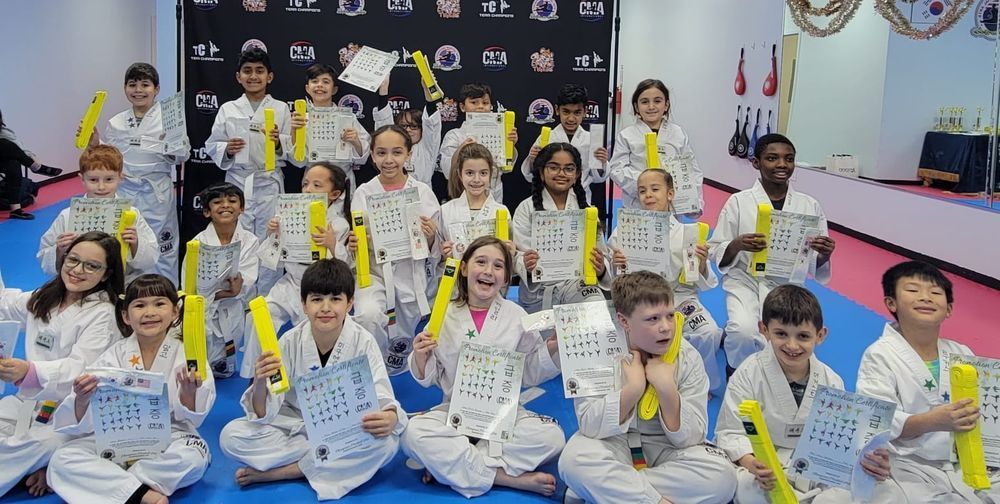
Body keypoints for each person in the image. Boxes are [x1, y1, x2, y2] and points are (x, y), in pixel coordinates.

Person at [220, 259, 404, 500]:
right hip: (295, 424)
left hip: (343, 426)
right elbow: (263, 412)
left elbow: (382, 394)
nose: (325, 308)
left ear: (350, 303)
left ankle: (287, 471)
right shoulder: (289, 341)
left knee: (387, 444)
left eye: (335, 299)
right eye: (317, 299)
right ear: (304, 305)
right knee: (230, 437)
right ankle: (323, 461)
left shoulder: (363, 341)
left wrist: (389, 416)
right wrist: (260, 382)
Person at [558, 271, 737, 504]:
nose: (665, 327)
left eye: (670, 316)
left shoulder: (687, 356)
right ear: (624, 321)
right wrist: (632, 390)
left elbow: (693, 437)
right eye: (652, 319)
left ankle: (609, 491)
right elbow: (590, 425)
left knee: (723, 477)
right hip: (614, 441)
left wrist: (667, 391)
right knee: (573, 460)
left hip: (666, 445)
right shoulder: (595, 348)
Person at [404, 236, 563, 498]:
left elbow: (530, 372)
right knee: (412, 434)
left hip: (503, 412)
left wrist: (552, 348)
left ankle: (454, 465)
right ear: (464, 268)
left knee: (553, 438)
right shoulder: (444, 314)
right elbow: (429, 377)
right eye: (481, 262)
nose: (489, 271)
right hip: (455, 412)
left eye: (498, 266)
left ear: (505, 278)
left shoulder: (516, 316)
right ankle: (505, 477)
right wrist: (421, 355)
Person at [716, 284, 900, 503]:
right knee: (747, 489)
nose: (792, 345)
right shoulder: (748, 373)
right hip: (765, 464)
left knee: (881, 488)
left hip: (815, 465)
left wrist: (869, 459)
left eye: (803, 336)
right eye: (781, 334)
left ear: (820, 335)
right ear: (764, 330)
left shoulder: (831, 380)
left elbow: (842, 438)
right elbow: (730, 431)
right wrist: (749, 461)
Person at [47, 275, 214, 504]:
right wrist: (83, 398)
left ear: (175, 312)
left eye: (159, 303)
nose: (150, 312)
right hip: (117, 439)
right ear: (126, 316)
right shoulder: (114, 354)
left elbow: (194, 419)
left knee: (194, 456)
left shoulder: (190, 355)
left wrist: (188, 392)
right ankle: (142, 494)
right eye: (139, 305)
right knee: (61, 459)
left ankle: (117, 484)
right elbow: (86, 419)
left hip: (171, 436)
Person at [857, 261, 1000, 503]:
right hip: (908, 464)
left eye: (935, 292)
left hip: (964, 460)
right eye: (912, 290)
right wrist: (932, 421)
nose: (925, 297)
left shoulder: (961, 352)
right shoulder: (880, 354)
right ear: (891, 303)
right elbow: (876, 418)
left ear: (949, 308)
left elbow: (984, 411)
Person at [0, 232, 124, 498]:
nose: (78, 270)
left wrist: (29, 372)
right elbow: (4, 304)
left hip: (71, 417)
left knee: (39, 444)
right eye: (73, 260)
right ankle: (38, 468)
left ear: (106, 274)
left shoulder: (103, 314)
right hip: (27, 401)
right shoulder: (45, 296)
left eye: (91, 266)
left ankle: (47, 462)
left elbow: (80, 369)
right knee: (16, 440)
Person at [708, 133, 836, 372]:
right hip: (745, 279)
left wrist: (825, 254)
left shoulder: (809, 205)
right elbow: (716, 250)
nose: (781, 164)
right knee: (743, 331)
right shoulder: (738, 202)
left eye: (789, 159)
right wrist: (737, 244)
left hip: (788, 284)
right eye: (772, 158)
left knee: (787, 341)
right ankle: (737, 373)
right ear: (756, 162)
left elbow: (815, 262)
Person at [608, 168, 723, 391]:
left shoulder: (688, 233)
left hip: (678, 298)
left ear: (670, 194)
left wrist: (700, 263)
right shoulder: (625, 230)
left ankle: (702, 383)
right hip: (638, 301)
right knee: (615, 335)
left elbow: (703, 282)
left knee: (708, 332)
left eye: (655, 189)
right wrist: (617, 264)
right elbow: (617, 279)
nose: (648, 195)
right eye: (642, 191)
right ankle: (633, 379)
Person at [240, 162, 352, 379]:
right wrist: (274, 234)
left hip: (321, 290)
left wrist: (332, 244)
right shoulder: (288, 215)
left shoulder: (338, 225)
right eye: (305, 184)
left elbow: (346, 268)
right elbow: (270, 258)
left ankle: (312, 378)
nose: (308, 190)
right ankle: (257, 375)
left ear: (334, 194)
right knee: (259, 315)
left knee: (311, 332)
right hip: (291, 282)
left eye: (317, 185)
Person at [350, 125, 441, 375]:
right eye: (381, 153)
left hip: (411, 274)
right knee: (369, 315)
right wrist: (354, 244)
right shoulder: (364, 193)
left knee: (400, 344)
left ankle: (392, 361)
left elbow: (436, 250)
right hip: (375, 274)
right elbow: (355, 242)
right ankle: (372, 371)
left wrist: (431, 236)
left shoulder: (422, 193)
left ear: (408, 155)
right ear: (372, 155)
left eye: (397, 152)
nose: (389, 160)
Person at [88, 63, 190, 282]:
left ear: (157, 89)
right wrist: (96, 145)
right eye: (132, 85)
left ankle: (166, 297)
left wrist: (170, 145)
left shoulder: (169, 118)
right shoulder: (116, 122)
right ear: (125, 88)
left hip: (156, 193)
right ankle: (128, 296)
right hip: (125, 191)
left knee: (163, 246)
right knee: (126, 243)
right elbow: (110, 157)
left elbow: (182, 156)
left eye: (145, 84)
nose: (138, 90)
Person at [205, 48, 301, 240]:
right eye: (247, 71)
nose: (253, 76)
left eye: (259, 71)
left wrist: (277, 143)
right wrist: (227, 150)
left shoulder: (281, 108)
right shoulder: (228, 108)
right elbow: (213, 144)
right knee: (239, 235)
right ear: (238, 77)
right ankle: (240, 271)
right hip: (238, 182)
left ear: (270, 76)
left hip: (269, 182)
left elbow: (294, 151)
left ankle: (268, 272)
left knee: (272, 236)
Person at [38, 145, 158, 284]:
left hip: (121, 283)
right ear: (82, 179)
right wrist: (59, 250)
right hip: (78, 283)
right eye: (93, 180)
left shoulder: (131, 214)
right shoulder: (67, 216)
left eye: (109, 179)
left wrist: (136, 243)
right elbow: (44, 260)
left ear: (120, 177)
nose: (101, 187)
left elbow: (151, 259)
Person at [512, 143, 609, 314]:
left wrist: (600, 268)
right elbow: (517, 255)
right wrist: (525, 264)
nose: (562, 174)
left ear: (577, 174)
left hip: (577, 285)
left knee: (596, 307)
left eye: (569, 169)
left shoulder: (587, 211)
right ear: (541, 172)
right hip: (539, 292)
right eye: (554, 167)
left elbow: (602, 254)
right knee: (541, 341)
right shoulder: (526, 208)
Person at [183, 182, 259, 378]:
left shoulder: (250, 240)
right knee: (202, 365)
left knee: (225, 368)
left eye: (232, 201)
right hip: (206, 309)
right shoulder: (197, 243)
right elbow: (189, 285)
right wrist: (223, 292)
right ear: (207, 212)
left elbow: (248, 277)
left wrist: (234, 290)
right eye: (217, 202)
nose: (225, 205)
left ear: (241, 208)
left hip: (232, 307)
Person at [609, 79, 704, 214]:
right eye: (645, 102)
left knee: (669, 234)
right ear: (636, 107)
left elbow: (692, 170)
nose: (651, 106)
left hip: (671, 205)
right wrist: (647, 185)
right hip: (637, 204)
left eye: (657, 101)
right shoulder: (627, 135)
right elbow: (617, 169)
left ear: (666, 105)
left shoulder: (678, 133)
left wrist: (694, 202)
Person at [520, 83, 608, 204]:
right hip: (549, 197)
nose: (571, 119)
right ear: (557, 110)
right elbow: (530, 177)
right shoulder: (546, 138)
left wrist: (602, 162)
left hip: (581, 199)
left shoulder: (591, 140)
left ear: (585, 112)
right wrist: (532, 160)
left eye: (577, 113)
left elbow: (598, 178)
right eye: (566, 112)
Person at [295, 63, 370, 191]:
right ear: (307, 88)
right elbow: (297, 160)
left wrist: (355, 141)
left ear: (334, 89)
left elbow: (362, 158)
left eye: (325, 82)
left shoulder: (347, 118)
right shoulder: (301, 119)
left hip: (342, 180)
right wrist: (293, 131)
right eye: (315, 81)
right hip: (313, 181)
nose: (320, 85)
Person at [439, 82, 518, 203]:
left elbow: (506, 168)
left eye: (485, 103)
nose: (480, 107)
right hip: (463, 195)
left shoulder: (501, 132)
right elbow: (446, 172)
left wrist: (510, 146)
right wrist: (461, 149)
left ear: (491, 106)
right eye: (474, 102)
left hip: (494, 195)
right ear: (462, 107)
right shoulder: (454, 135)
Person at [374, 70, 443, 187]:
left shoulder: (428, 147)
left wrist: (428, 92)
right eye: (404, 126)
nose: (408, 130)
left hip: (422, 197)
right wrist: (383, 89)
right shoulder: (391, 146)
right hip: (393, 194)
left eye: (414, 126)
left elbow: (431, 124)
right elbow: (383, 123)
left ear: (422, 129)